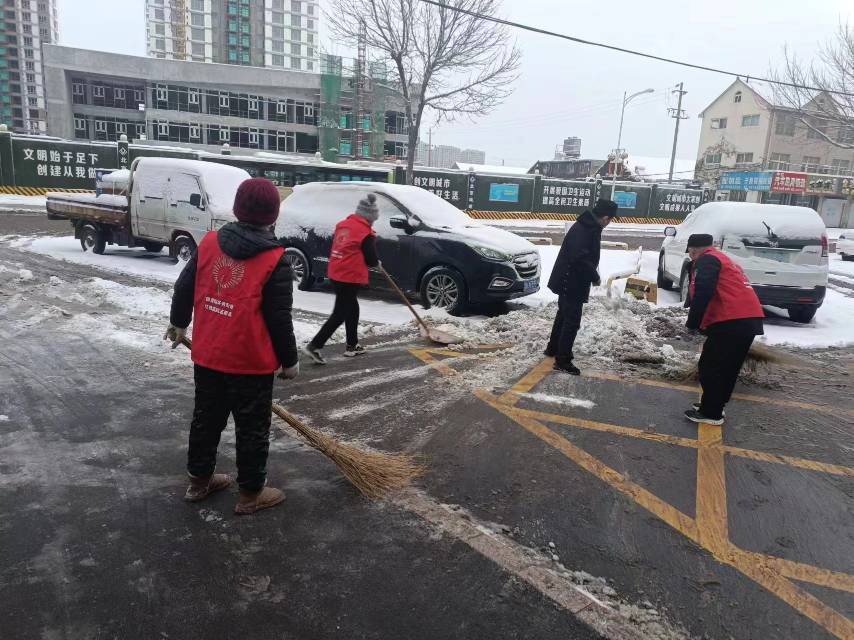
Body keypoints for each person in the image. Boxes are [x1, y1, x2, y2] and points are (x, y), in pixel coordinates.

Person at [164, 177, 299, 515]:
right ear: (273, 215)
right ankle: (251, 494)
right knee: (252, 428)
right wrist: (289, 361)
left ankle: (199, 481)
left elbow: (183, 288)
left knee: (205, 420)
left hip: (209, 356)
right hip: (250, 364)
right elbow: (279, 319)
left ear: (238, 209)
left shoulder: (210, 243)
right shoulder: (275, 260)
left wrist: (179, 324)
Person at [683, 233, 764, 426]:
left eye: (691, 252)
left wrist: (692, 324)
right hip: (746, 320)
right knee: (727, 367)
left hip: (732, 321)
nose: (691, 256)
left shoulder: (707, 260)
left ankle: (711, 412)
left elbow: (704, 291)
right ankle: (715, 405)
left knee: (711, 366)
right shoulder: (722, 258)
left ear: (694, 249)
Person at [303, 193, 380, 365]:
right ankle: (314, 345)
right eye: (374, 219)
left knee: (351, 306)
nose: (373, 222)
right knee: (340, 313)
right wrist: (376, 262)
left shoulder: (343, 224)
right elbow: (371, 259)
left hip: (337, 271)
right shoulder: (365, 232)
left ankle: (352, 345)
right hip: (349, 275)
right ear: (369, 217)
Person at [546, 198, 619, 375]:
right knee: (571, 321)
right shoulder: (587, 229)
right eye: (610, 219)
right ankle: (562, 360)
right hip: (571, 281)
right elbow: (579, 257)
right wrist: (594, 276)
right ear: (605, 217)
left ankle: (553, 348)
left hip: (569, 279)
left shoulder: (587, 225)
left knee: (563, 314)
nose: (609, 223)